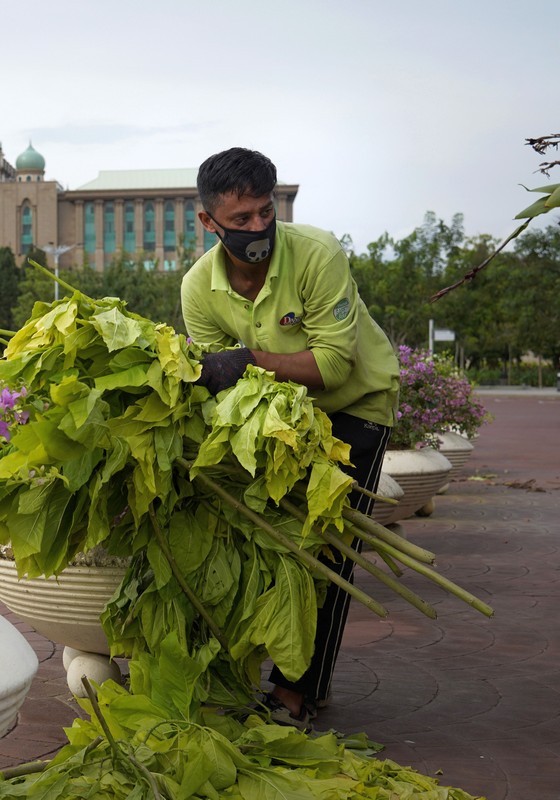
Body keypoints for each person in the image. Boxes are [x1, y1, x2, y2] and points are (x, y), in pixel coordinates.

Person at [180, 146, 399, 729]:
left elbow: (332, 366)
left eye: (264, 213)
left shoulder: (316, 254)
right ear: (208, 223)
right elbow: (219, 385)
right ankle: (254, 670)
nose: (257, 229)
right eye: (240, 220)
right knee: (266, 542)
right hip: (282, 417)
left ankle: (297, 693)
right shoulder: (198, 289)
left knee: (327, 547)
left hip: (357, 404)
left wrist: (248, 358)